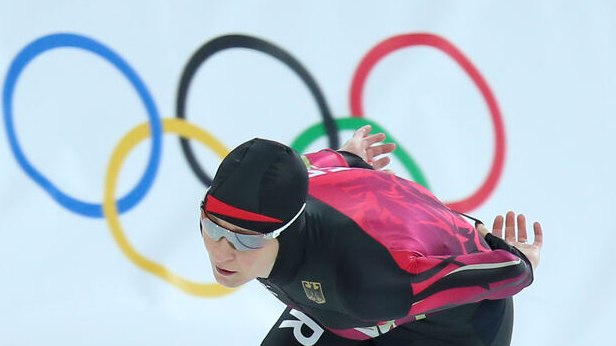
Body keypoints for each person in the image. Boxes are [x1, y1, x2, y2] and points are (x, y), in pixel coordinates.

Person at [199, 125, 543, 346]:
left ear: (286, 230)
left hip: (455, 331)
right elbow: (307, 164)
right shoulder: (289, 188)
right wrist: (347, 156)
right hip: (353, 308)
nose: (221, 253)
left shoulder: (366, 281)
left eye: (246, 239)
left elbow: (503, 275)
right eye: (212, 228)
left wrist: (514, 259)